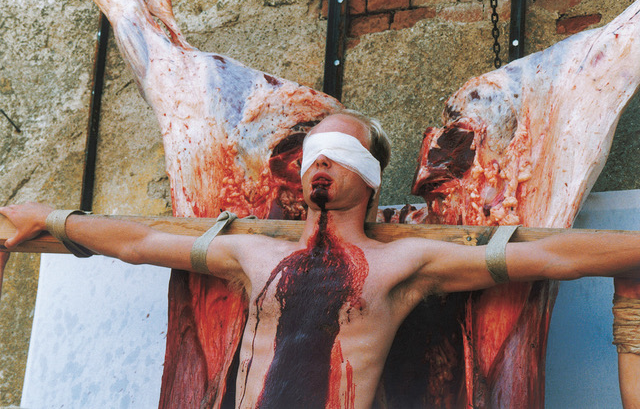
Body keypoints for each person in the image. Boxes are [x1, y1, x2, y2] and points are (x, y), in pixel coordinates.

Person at [1, 112, 640, 408]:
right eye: (315, 152)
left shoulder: (406, 265)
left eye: (341, 151)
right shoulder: (249, 253)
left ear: (371, 175)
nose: (323, 162)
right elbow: (139, 242)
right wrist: (51, 219)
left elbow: (547, 254)